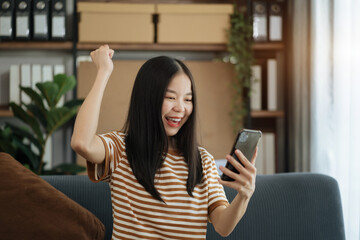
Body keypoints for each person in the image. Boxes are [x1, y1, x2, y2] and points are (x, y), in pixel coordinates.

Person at [71, 45, 257, 240]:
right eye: (170, 97)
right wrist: (103, 72)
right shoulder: (120, 149)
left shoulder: (203, 160)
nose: (180, 108)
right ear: (147, 99)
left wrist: (245, 194)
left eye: (188, 99)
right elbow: (82, 143)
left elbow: (223, 226)